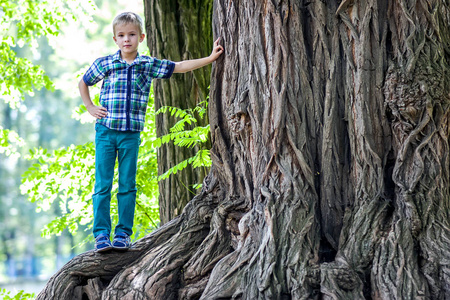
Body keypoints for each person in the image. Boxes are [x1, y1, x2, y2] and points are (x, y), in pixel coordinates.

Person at [79, 12, 223, 252]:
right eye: (122, 35)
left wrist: (209, 59)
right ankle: (102, 235)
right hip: (105, 133)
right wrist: (90, 107)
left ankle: (123, 234)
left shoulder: (147, 65)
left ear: (141, 37)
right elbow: (84, 82)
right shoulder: (105, 63)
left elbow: (178, 67)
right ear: (115, 39)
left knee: (127, 184)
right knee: (103, 185)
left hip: (130, 135)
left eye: (132, 35)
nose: (127, 39)